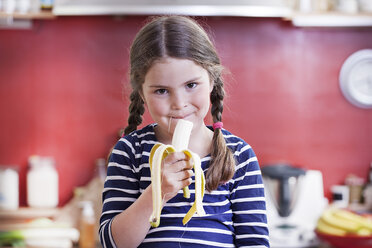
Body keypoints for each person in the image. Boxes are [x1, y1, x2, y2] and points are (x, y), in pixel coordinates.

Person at [99, 15, 270, 248]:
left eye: (191, 85)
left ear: (211, 81)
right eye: (161, 90)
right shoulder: (129, 152)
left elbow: (255, 243)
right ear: (141, 93)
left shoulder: (238, 155)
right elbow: (112, 243)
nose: (179, 103)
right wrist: (156, 193)